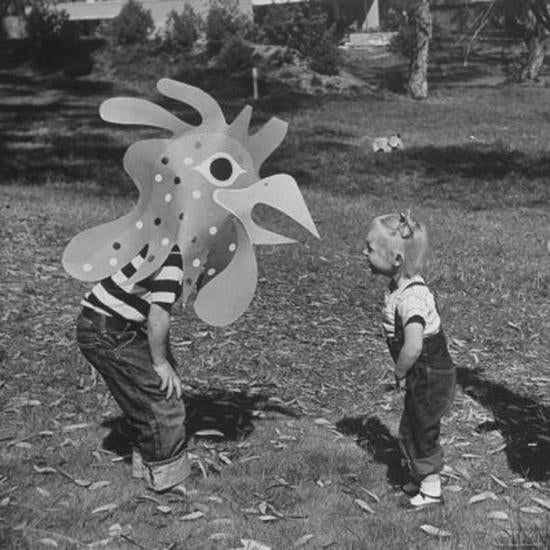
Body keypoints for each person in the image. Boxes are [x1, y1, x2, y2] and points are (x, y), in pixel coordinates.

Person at [75, 244, 190, 493]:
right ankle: (168, 484)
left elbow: (153, 316)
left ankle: (147, 468)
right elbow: (158, 317)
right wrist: (159, 363)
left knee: (145, 396)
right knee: (161, 400)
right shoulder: (173, 257)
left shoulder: (161, 243)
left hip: (104, 325)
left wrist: (164, 359)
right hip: (107, 330)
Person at [363, 211, 456, 510]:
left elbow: (414, 345)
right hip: (424, 373)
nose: (364, 253)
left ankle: (431, 491)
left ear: (397, 260)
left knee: (421, 428)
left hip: (430, 373)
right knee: (411, 426)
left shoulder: (411, 298)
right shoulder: (398, 288)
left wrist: (399, 371)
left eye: (370, 249)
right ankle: (420, 477)